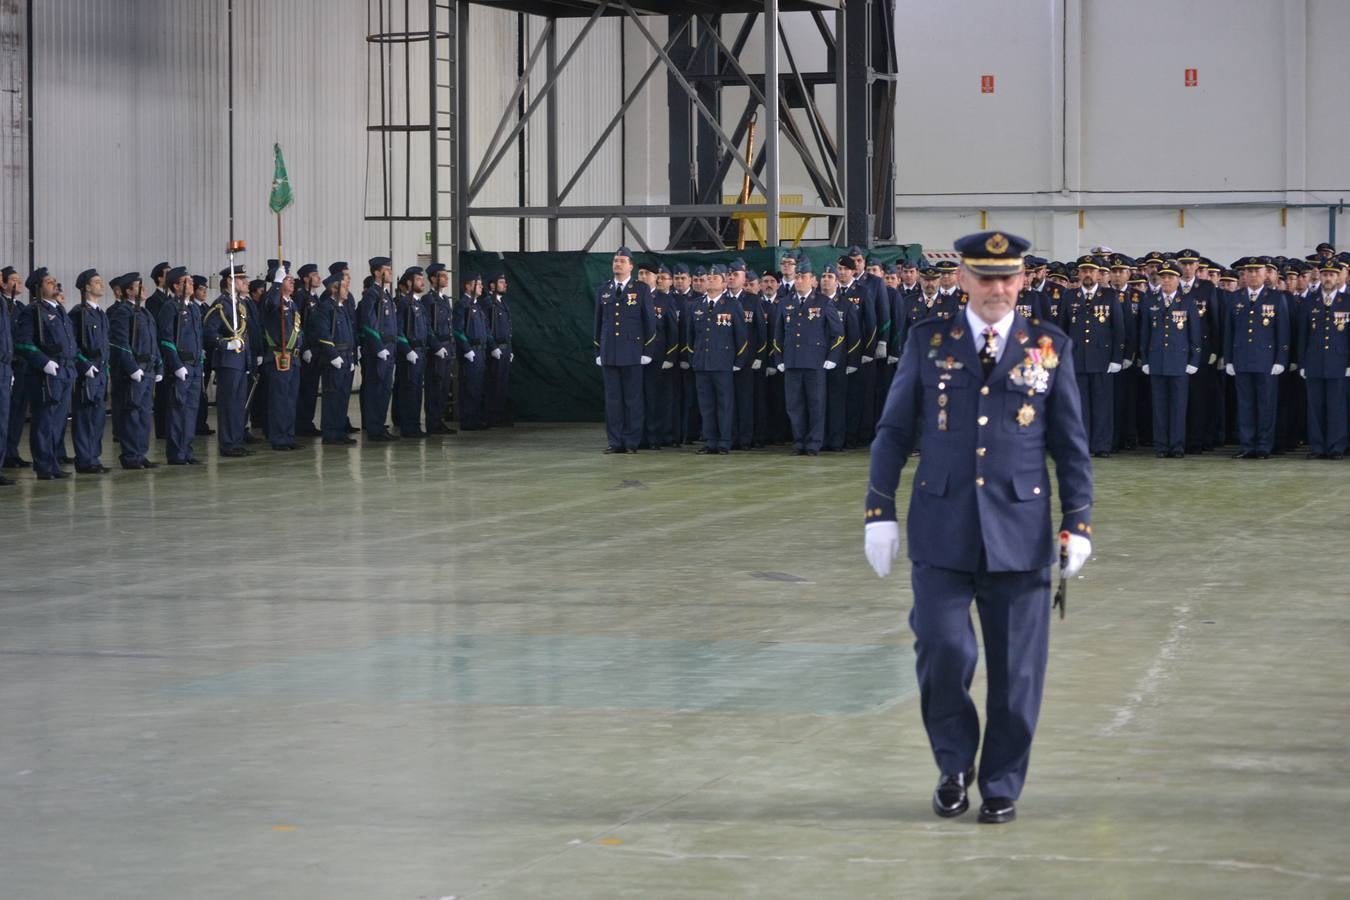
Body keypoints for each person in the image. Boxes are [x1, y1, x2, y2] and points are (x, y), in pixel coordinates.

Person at [864, 231, 1093, 825]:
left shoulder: (1049, 345)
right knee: (942, 651)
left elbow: (1069, 445)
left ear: (1023, 281)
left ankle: (1000, 782)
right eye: (984, 277)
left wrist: (1079, 524)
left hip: (1020, 532)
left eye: (1007, 277)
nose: (997, 288)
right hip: (942, 526)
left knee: (1018, 673)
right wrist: (879, 510)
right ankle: (953, 763)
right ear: (961, 278)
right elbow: (893, 431)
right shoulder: (928, 342)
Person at [773, 258, 842, 455]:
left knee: (816, 404)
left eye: (803, 277)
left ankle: (813, 443)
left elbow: (837, 333)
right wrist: (779, 359)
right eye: (797, 277)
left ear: (813, 280)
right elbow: (778, 334)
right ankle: (799, 441)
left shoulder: (823, 302)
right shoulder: (785, 303)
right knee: (794, 405)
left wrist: (832, 357)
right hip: (792, 362)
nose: (799, 280)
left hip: (815, 362)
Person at [14, 267, 78, 479]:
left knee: (58, 421)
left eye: (55, 281)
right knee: (44, 420)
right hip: (45, 374)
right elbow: (23, 343)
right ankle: (43, 465)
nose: (55, 284)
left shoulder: (59, 310)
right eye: (49, 282)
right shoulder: (32, 311)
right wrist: (43, 362)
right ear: (38, 288)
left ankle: (52, 463)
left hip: (65, 371)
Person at [1225, 257, 1289, 459]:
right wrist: (1228, 359)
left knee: (1266, 405)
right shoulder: (1235, 298)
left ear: (1265, 274)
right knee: (1245, 405)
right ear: (1244, 274)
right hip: (1242, 359)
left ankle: (1263, 446)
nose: (1253, 275)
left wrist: (1281, 359)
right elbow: (1229, 331)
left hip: (1266, 361)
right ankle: (1247, 445)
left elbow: (1283, 331)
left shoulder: (1276, 298)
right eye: (1249, 271)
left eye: (1257, 271)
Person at [593, 246, 654, 453]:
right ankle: (615, 441)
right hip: (610, 353)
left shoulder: (641, 289)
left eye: (621, 261)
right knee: (613, 401)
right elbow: (598, 323)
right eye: (615, 260)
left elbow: (649, 323)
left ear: (630, 266)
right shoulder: (604, 289)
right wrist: (598, 351)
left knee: (632, 400)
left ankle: (631, 442)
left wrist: (647, 351)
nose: (617, 264)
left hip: (632, 352)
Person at [1139, 260, 1201, 458]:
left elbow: (1195, 335)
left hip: (1179, 363)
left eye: (1170, 277)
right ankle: (1161, 446)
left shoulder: (1188, 302)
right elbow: (1145, 334)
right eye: (1163, 277)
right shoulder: (1150, 301)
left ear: (1178, 280)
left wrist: (1194, 360)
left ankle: (1176, 446)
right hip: (1157, 362)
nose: (1166, 280)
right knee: (1159, 408)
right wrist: (1145, 360)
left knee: (1178, 407)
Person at [107, 273, 161, 470]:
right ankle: (130, 456)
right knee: (132, 414)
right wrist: (132, 368)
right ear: (128, 291)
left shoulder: (145, 313)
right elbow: (120, 343)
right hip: (133, 371)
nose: (143, 289)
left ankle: (140, 453)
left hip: (147, 369)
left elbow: (153, 343)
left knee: (145, 414)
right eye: (138, 287)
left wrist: (159, 366)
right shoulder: (123, 312)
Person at [1297, 258, 1349, 458]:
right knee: (1315, 408)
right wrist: (1302, 363)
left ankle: (1336, 447)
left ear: (1338, 277)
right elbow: (1302, 336)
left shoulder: (1347, 302)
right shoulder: (1311, 302)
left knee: (1337, 408)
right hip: (1314, 363)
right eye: (1325, 275)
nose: (1328, 278)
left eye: (1332, 275)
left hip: (1339, 363)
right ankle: (1317, 447)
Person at [202, 264, 254, 457]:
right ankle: (227, 444)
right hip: (228, 361)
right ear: (230, 282)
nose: (246, 283)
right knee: (229, 404)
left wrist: (248, 362)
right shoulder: (221, 305)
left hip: (240, 362)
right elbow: (209, 333)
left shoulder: (239, 305)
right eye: (242, 279)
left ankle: (236, 440)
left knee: (239, 403)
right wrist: (225, 344)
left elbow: (245, 336)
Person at [156, 266, 205, 465]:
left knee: (191, 411)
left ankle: (187, 450)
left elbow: (197, 338)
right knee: (178, 410)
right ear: (176, 286)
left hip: (194, 365)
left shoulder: (193, 307)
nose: (192, 285)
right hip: (181, 366)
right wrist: (176, 365)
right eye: (187, 282)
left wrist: (200, 362)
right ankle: (176, 453)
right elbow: (165, 338)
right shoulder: (170, 307)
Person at [67, 269, 111, 474]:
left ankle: (94, 457)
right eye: (96, 282)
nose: (100, 285)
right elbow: (72, 345)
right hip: (87, 373)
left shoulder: (100, 314)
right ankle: (85, 460)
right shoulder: (78, 313)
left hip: (101, 372)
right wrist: (84, 365)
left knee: (98, 418)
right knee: (84, 418)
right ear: (86, 287)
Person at [309, 271, 358, 446]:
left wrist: (351, 357)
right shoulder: (325, 308)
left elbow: (349, 334)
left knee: (343, 397)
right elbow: (322, 335)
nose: (347, 290)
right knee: (332, 397)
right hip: (334, 360)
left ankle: (339, 431)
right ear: (334, 289)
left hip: (346, 357)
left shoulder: (341, 308)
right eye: (344, 287)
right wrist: (333, 356)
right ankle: (330, 433)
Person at [261, 263, 303, 450]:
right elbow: (271, 303)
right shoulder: (272, 301)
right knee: (279, 399)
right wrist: (277, 282)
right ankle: (278, 438)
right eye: (287, 278)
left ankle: (288, 436)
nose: (292, 281)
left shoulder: (291, 303)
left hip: (293, 358)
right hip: (279, 356)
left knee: (290, 399)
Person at [358, 256, 398, 440]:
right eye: (386, 270)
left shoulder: (385, 294)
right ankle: (374, 429)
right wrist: (379, 347)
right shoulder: (372, 295)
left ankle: (380, 426)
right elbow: (369, 324)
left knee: (385, 390)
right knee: (376, 390)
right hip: (378, 351)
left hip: (389, 348)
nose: (390, 273)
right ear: (377, 272)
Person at [421, 262, 457, 435]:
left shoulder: (443, 299)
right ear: (433, 279)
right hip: (437, 350)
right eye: (442, 276)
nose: (446, 278)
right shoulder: (429, 300)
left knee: (443, 388)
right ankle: (432, 423)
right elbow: (427, 326)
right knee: (434, 387)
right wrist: (436, 346)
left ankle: (439, 421)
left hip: (447, 348)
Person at [454, 273, 491, 431]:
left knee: (477, 386)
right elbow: (458, 330)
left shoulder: (476, 305)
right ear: (468, 286)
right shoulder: (462, 305)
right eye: (478, 284)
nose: (482, 287)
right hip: (471, 351)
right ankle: (468, 420)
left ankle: (475, 418)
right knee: (470, 386)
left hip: (480, 351)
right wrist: (467, 349)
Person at [484, 272, 515, 428]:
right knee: (493, 384)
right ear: (492, 285)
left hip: (504, 349)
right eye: (501, 282)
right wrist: (493, 347)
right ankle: (492, 416)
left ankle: (500, 415)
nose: (505, 285)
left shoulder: (502, 304)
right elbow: (487, 328)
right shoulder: (488, 304)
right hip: (494, 351)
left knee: (502, 384)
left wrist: (509, 349)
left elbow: (507, 329)